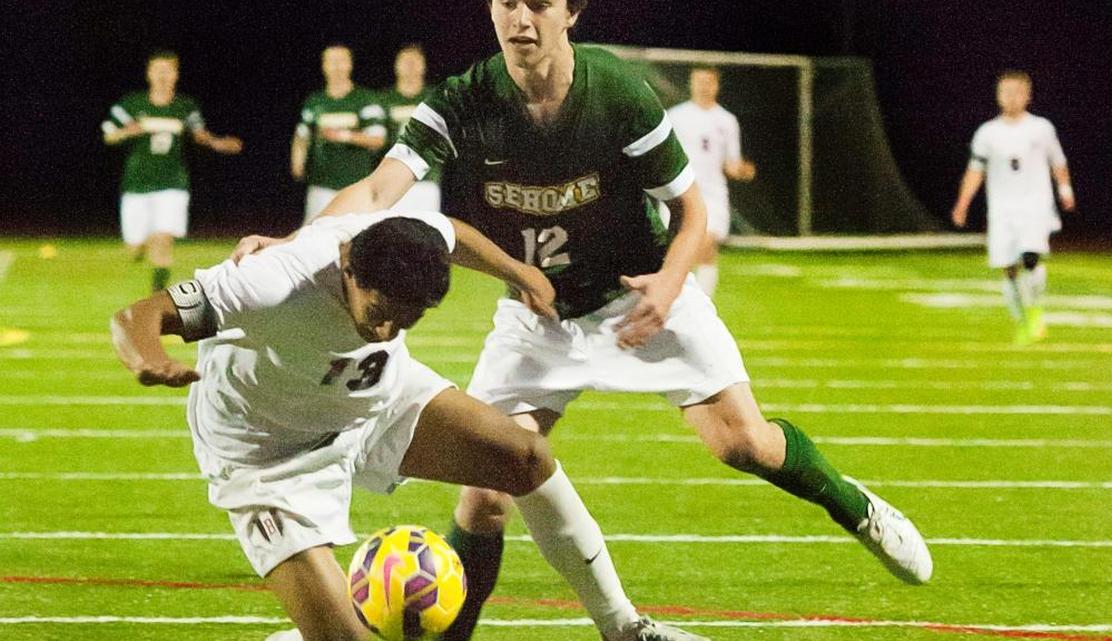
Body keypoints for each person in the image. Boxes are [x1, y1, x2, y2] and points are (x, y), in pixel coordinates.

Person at [233, 1, 933, 639]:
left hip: (638, 295)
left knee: (743, 442)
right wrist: (294, 243)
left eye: (538, 3)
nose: (520, 18)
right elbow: (381, 188)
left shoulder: (619, 94)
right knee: (484, 496)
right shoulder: (464, 99)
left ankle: (856, 505)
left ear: (571, 12)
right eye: (506, 2)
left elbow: (694, 214)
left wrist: (669, 282)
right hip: (537, 317)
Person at [112, 210, 696, 641]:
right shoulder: (270, 281)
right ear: (346, 265)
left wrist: (518, 271)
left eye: (407, 319)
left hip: (374, 403)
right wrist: (149, 358)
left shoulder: (401, 237)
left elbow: (450, 231)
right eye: (378, 312)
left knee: (525, 458)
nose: (389, 329)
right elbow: (138, 315)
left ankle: (624, 628)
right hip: (268, 459)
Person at [951, 70, 1076, 344]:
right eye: (1006, 92)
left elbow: (1058, 162)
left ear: (1028, 95)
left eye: (1017, 92)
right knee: (1009, 268)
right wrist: (963, 203)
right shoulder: (987, 133)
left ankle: (1036, 312)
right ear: (998, 96)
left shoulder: (1041, 128)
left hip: (1035, 205)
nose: (1011, 97)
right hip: (1002, 210)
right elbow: (976, 170)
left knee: (1031, 257)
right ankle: (1021, 322)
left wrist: (1065, 190)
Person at [102, 50, 243, 292]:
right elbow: (109, 136)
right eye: (157, 70)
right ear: (149, 73)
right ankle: (140, 248)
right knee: (134, 247)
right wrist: (128, 132)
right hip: (136, 184)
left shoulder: (185, 107)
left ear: (176, 75)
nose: (162, 76)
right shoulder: (132, 105)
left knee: (163, 239)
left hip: (172, 184)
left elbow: (200, 135)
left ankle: (156, 299)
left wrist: (219, 143)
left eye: (167, 70)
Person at [664, 66, 756, 296]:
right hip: (679, 191)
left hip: (713, 193)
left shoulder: (726, 120)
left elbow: (731, 165)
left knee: (706, 246)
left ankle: (703, 303)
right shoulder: (675, 116)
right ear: (691, 83)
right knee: (676, 251)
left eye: (708, 82)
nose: (703, 86)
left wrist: (743, 170)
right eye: (699, 81)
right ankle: (677, 301)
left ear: (716, 85)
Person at [292, 45, 387, 222]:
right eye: (331, 61)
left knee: (355, 240)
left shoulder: (365, 99)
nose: (336, 66)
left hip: (355, 185)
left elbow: (378, 139)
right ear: (323, 65)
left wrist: (344, 136)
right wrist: (297, 161)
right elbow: (302, 135)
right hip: (321, 183)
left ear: (350, 65)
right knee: (314, 236)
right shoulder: (315, 101)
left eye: (341, 61)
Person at [377, 43, 443, 213]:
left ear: (424, 66)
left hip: (426, 181)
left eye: (415, 61)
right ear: (396, 65)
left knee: (425, 237)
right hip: (392, 182)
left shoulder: (436, 97)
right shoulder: (383, 99)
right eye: (405, 61)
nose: (410, 66)